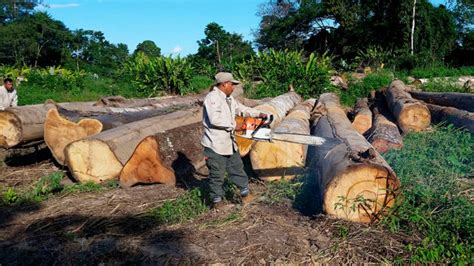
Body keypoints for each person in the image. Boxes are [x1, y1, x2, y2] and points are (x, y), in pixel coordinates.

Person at [202, 72, 268, 209]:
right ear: (224, 84)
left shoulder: (229, 99)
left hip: (229, 143)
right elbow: (215, 119)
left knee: (237, 168)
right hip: (215, 144)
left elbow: (242, 109)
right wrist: (234, 124)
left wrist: (258, 114)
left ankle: (245, 195)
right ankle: (217, 202)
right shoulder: (212, 98)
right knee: (217, 174)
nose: (233, 87)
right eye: (232, 84)